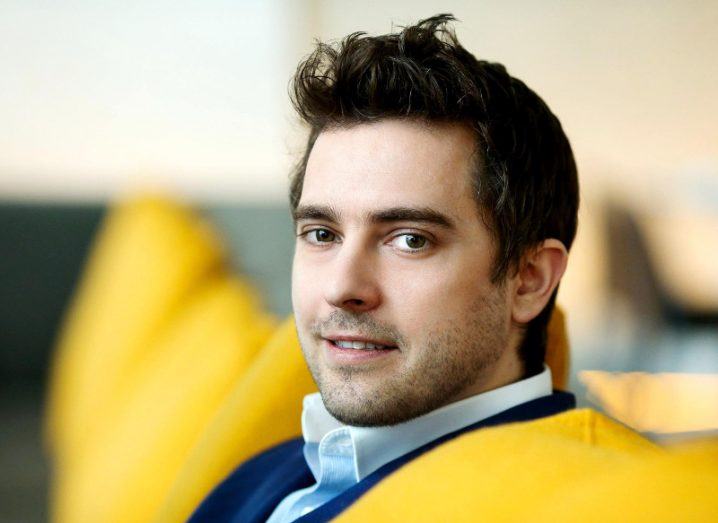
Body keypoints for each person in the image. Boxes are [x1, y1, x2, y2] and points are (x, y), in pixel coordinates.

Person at [190, 13, 586, 522]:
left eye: (410, 240)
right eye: (321, 234)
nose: (341, 287)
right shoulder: (264, 474)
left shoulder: (562, 501)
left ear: (529, 280)